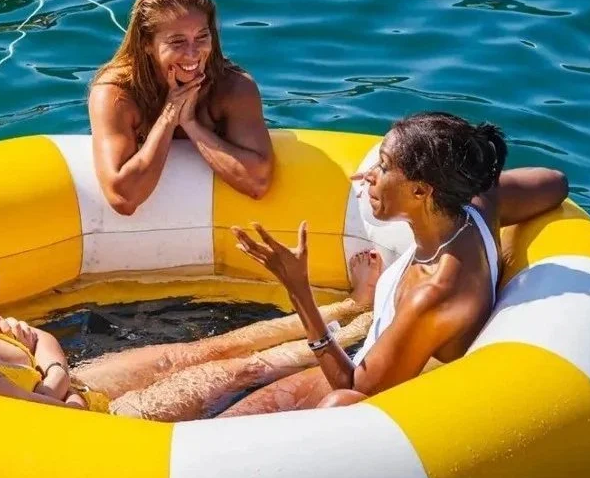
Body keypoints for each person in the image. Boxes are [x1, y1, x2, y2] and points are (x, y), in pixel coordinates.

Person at [0, 222, 386, 420]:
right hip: (106, 418)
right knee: (239, 370)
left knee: (207, 347)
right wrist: (51, 370)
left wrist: (51, 365)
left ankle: (355, 307)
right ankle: (364, 345)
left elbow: (47, 348)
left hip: (81, 380)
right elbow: (63, 414)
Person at [223, 111, 569, 416]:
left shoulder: (435, 292)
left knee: (231, 391)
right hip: (377, 354)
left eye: (384, 166)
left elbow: (356, 389)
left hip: (388, 403)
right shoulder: (477, 209)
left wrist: (297, 287)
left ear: (421, 192)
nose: (370, 174)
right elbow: (556, 183)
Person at [89, 0, 273, 216]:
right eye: (177, 41)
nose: (193, 53)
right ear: (146, 43)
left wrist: (190, 123)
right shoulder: (116, 93)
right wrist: (169, 114)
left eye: (202, 37)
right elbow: (123, 198)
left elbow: (257, 184)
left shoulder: (233, 87)